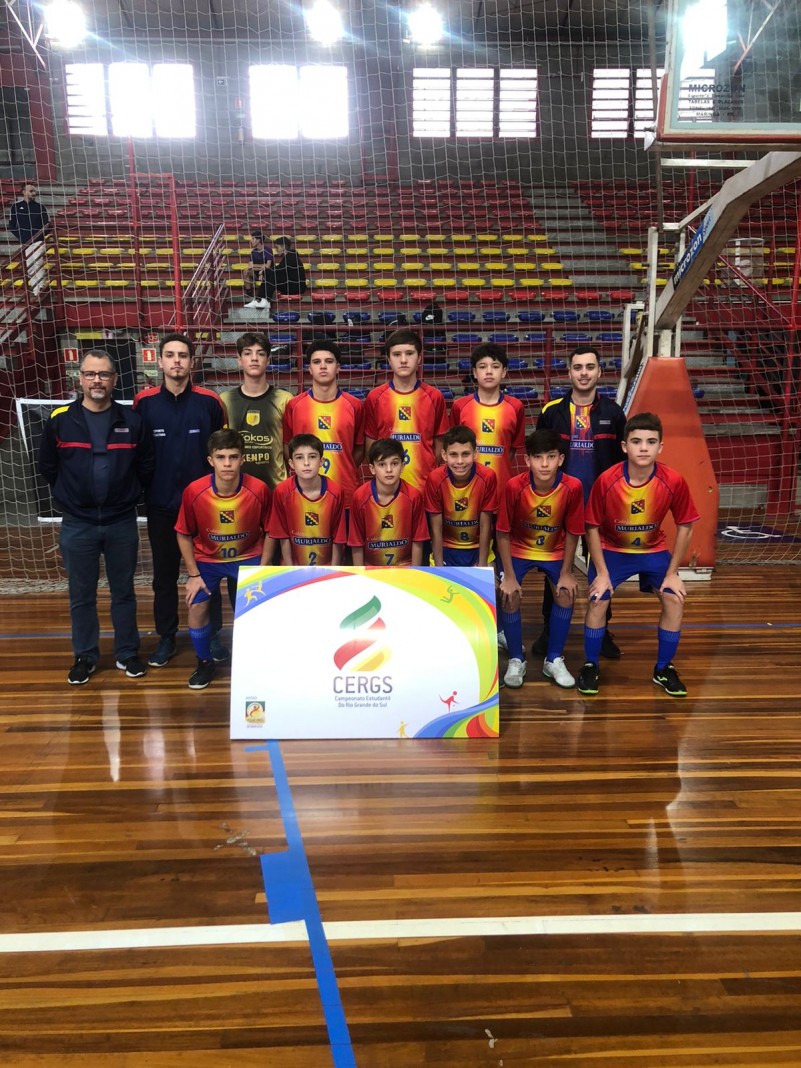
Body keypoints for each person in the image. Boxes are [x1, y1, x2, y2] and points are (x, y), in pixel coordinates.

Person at [38, 349, 154, 685]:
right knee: (81, 594)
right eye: (90, 374)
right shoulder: (61, 419)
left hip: (121, 521)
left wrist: (126, 495)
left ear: (114, 380)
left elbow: (145, 466)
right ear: (80, 378)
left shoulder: (132, 421)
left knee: (124, 592)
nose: (97, 380)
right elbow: (47, 466)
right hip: (78, 523)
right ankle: (85, 656)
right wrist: (72, 496)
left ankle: (127, 653)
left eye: (103, 374)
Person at [576, 412, 700, 699]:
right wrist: (603, 573)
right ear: (624, 446)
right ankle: (590, 665)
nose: (643, 447)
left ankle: (663, 668)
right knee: (597, 600)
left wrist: (672, 573)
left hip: (653, 551)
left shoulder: (673, 480)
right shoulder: (607, 481)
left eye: (650, 441)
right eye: (636, 441)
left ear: (660, 447)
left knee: (674, 598)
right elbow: (591, 527)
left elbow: (686, 526)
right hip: (612, 551)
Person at [133, 332, 228, 668]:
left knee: (208, 574)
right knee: (163, 576)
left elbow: (221, 452)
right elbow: (139, 455)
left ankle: (212, 633)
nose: (177, 361)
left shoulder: (209, 402)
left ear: (191, 362)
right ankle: (167, 637)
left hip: (205, 510)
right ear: (159, 361)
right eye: (170, 355)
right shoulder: (143, 403)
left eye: (183, 355)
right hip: (160, 506)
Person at [535, 346, 627, 659]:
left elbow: (622, 462)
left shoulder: (614, 413)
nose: (584, 373)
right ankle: (550, 629)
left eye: (590, 367)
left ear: (599, 371)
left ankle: (602, 633)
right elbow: (540, 459)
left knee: (602, 570)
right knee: (556, 570)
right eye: (578, 367)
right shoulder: (552, 412)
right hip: (560, 507)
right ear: (570, 372)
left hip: (600, 509)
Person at [175, 429, 273, 690]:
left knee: (256, 608)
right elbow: (183, 534)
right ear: (211, 461)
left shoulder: (259, 489)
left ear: (243, 459)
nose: (227, 464)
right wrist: (193, 575)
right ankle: (205, 661)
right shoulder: (194, 491)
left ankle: (253, 663)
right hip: (207, 559)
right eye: (221, 457)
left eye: (233, 457)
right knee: (196, 604)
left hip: (248, 556)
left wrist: (263, 569)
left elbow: (271, 531)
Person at [496, 429, 585, 690]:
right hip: (518, 549)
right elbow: (502, 532)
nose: (544, 464)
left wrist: (567, 572)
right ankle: (516, 658)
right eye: (538, 457)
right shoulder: (514, 486)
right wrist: (510, 577)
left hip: (554, 550)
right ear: (527, 460)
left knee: (566, 592)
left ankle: (554, 659)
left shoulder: (573, 487)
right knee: (509, 594)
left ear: (561, 459)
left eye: (550, 457)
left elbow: (572, 532)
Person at [364, 328, 448, 495]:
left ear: (419, 358)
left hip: (425, 489)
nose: (403, 360)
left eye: (409, 353)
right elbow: (370, 445)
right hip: (386, 492)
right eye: (396, 355)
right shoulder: (375, 397)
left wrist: (426, 467)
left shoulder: (434, 397)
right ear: (388, 359)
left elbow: (440, 444)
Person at [282, 340, 364, 511]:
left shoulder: (355, 405)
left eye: (329, 361)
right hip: (304, 493)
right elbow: (287, 447)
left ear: (338, 367)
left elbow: (359, 449)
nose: (323, 366)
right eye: (317, 362)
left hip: (345, 493)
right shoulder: (294, 405)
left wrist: (343, 465)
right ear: (309, 369)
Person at [450, 342, 526, 496]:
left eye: (495, 366)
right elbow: (452, 447)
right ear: (475, 372)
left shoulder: (516, 407)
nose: (489, 372)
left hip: (502, 487)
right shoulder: (460, 406)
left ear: (504, 372)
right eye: (483, 366)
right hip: (466, 488)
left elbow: (511, 449)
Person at [219, 331, 293, 489]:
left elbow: (290, 448)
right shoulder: (225, 400)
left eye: (260, 353)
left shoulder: (285, 399)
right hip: (238, 489)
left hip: (275, 489)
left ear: (268, 360)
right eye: (247, 353)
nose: (254, 358)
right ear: (239, 360)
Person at [269, 434, 347, 565]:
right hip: (294, 564)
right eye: (299, 458)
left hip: (327, 565)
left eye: (312, 457)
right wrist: (290, 568)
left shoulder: (335, 492)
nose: (306, 463)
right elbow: (283, 535)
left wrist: (333, 570)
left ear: (321, 461)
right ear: (291, 463)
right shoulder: (282, 492)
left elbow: (338, 539)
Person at [425, 426, 497, 567]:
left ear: (475, 453)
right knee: (440, 587)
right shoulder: (435, 478)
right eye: (453, 455)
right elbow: (436, 528)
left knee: (491, 585)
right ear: (444, 455)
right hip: (446, 546)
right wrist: (439, 568)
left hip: (478, 547)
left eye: (465, 454)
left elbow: (485, 525)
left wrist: (482, 565)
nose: (459, 461)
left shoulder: (488, 477)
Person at [349, 439, 429, 566]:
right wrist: (360, 577)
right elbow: (356, 543)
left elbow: (417, 540)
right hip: (371, 569)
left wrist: (415, 573)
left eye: (394, 463)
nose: (389, 469)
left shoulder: (414, 496)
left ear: (403, 466)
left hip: (405, 567)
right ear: (372, 468)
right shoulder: (359, 497)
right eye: (382, 464)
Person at [258, 235, 307, 306]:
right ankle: (261, 300)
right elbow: (278, 269)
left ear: (283, 246)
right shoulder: (288, 256)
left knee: (273, 276)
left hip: (296, 287)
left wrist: (263, 272)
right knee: (271, 275)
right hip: (290, 284)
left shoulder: (291, 257)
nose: (276, 250)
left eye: (277, 247)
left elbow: (279, 269)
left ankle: (263, 300)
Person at [243, 229, 273, 311]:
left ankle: (260, 299)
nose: (251, 241)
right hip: (256, 273)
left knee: (266, 272)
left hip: (266, 274)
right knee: (245, 271)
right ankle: (249, 293)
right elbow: (250, 266)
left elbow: (268, 265)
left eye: (253, 239)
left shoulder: (268, 250)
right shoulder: (253, 252)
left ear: (258, 240)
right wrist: (261, 267)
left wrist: (260, 269)